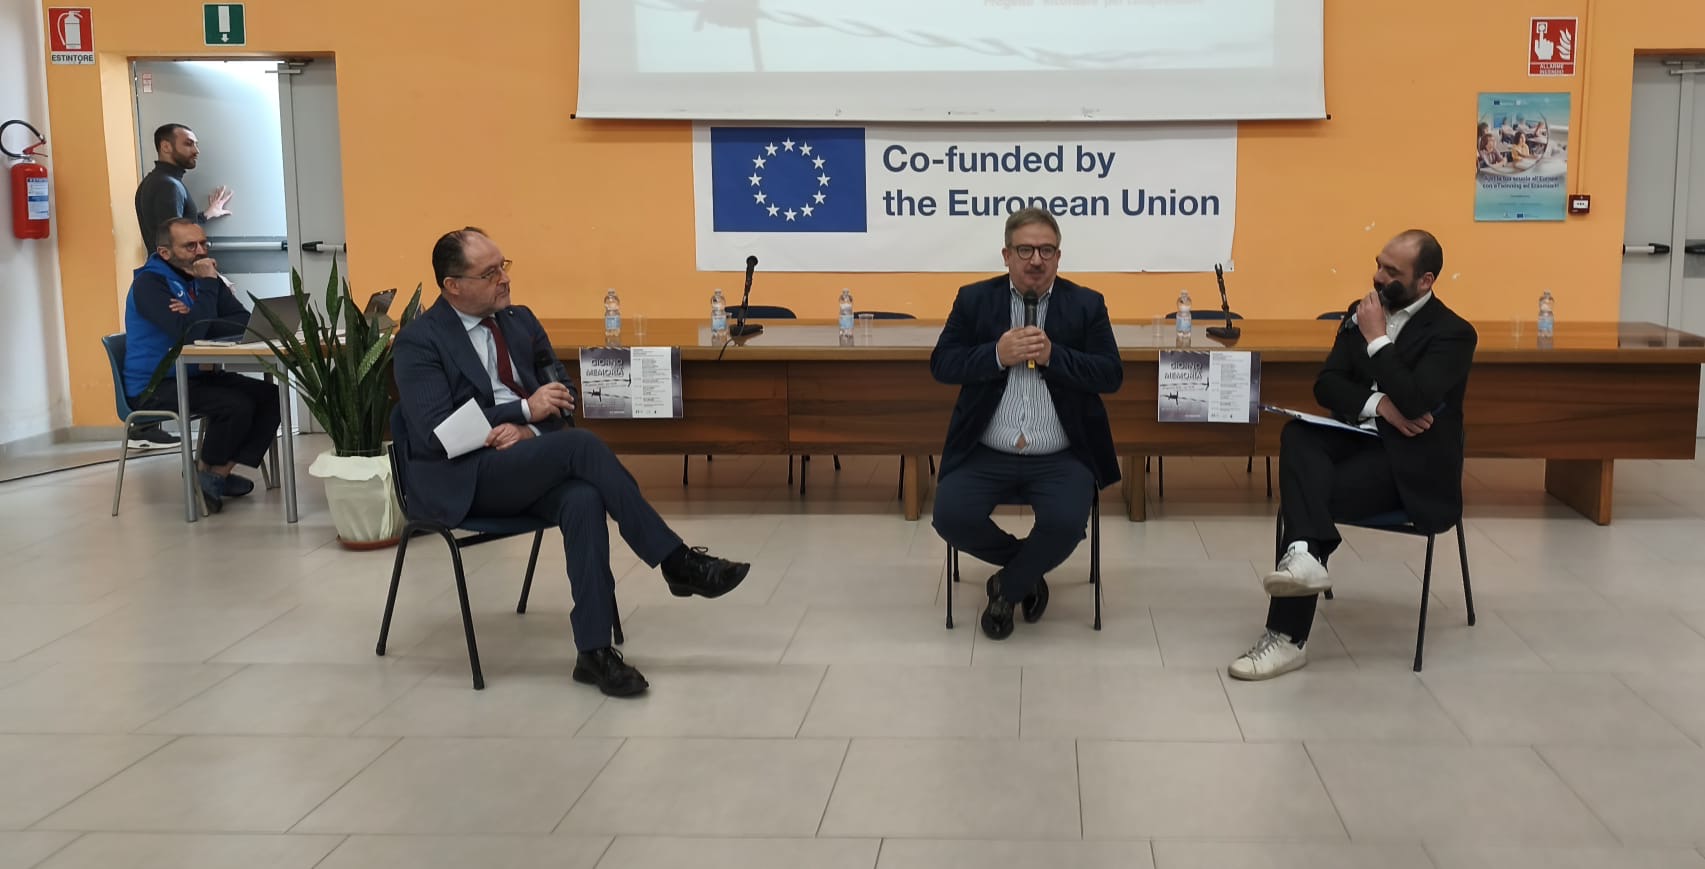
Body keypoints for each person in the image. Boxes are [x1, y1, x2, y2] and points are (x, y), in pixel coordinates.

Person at [392, 227, 752, 697]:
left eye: (504, 266)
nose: (504, 279)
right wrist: (524, 410)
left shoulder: (520, 321)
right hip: (462, 477)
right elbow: (435, 431)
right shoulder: (419, 341)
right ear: (452, 285)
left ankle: (593, 652)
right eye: (490, 273)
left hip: (523, 462)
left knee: (582, 498)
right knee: (581, 447)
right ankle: (675, 561)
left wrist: (531, 430)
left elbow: (563, 395)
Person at [1229, 229, 1476, 681]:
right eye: (1378, 264)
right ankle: (1304, 559)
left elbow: (1415, 400)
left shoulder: (1453, 334)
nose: (1378, 277)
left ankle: (1287, 634)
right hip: (1356, 441)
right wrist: (1379, 404)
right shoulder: (1359, 312)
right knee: (1298, 436)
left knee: (1308, 496)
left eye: (1392, 271)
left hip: (1411, 468)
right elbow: (1327, 385)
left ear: (1425, 280)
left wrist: (1377, 340)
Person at [929, 207, 1123, 640]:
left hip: (1060, 453)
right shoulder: (974, 300)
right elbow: (942, 363)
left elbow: (1111, 374)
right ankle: (1028, 570)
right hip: (986, 450)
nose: (1036, 260)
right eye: (1025, 250)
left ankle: (1009, 585)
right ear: (1006, 255)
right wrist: (996, 355)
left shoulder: (1086, 304)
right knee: (950, 517)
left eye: (1046, 250)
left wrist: (1055, 356)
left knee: (1066, 524)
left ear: (1058, 257)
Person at [124, 218, 280, 514]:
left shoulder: (203, 278)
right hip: (156, 385)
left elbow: (242, 321)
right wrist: (203, 305)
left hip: (196, 376)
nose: (201, 250)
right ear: (165, 252)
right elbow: (191, 334)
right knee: (235, 404)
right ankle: (208, 478)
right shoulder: (150, 284)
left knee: (271, 396)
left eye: (203, 243)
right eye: (190, 245)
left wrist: (196, 316)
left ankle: (213, 475)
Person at [129, 123, 235, 450]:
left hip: (177, 278)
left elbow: (179, 234)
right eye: (188, 143)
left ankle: (211, 467)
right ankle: (151, 427)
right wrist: (206, 279)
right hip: (171, 281)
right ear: (165, 146)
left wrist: (206, 214)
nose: (196, 150)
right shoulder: (166, 186)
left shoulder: (162, 183)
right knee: (235, 399)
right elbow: (172, 235)